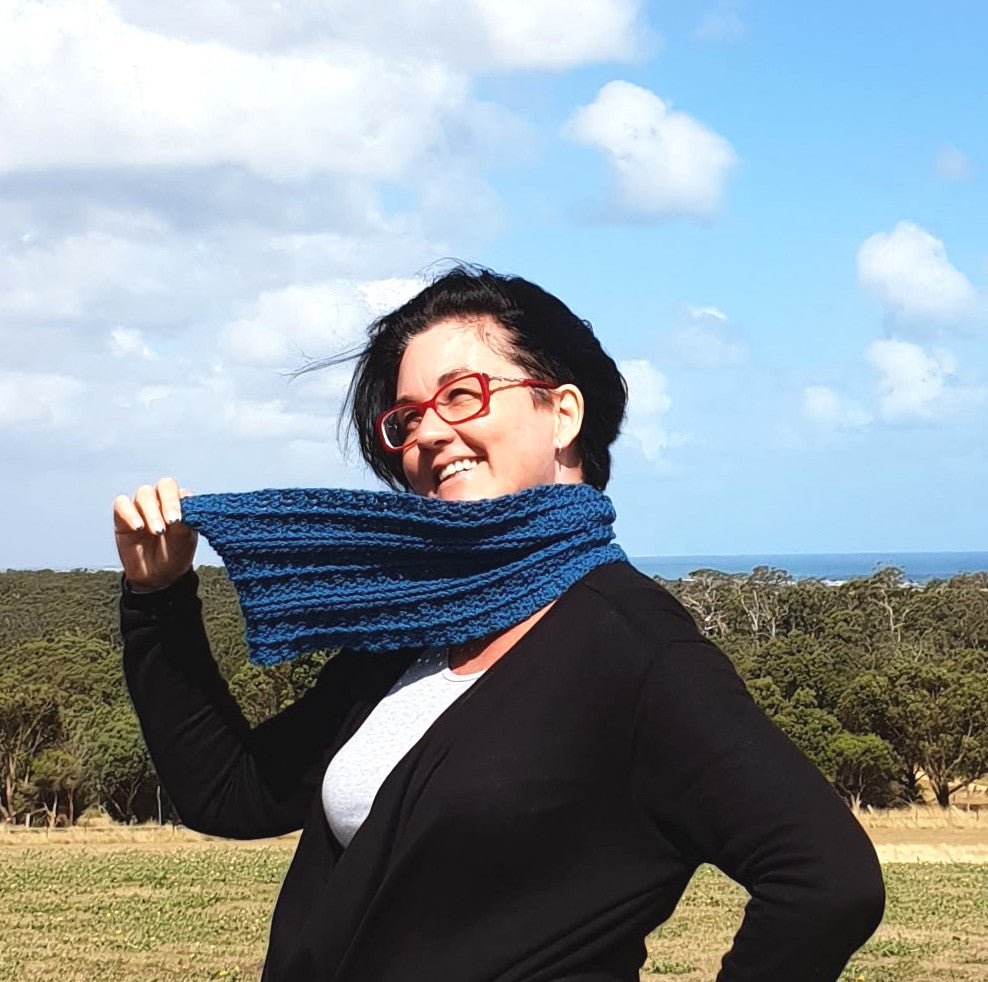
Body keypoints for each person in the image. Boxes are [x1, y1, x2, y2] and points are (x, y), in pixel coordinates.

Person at [114, 265, 885, 982]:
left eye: (461, 395)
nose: (426, 435)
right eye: (407, 417)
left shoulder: (636, 648)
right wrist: (160, 601)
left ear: (563, 412)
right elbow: (234, 793)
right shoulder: (413, 633)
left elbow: (828, 881)